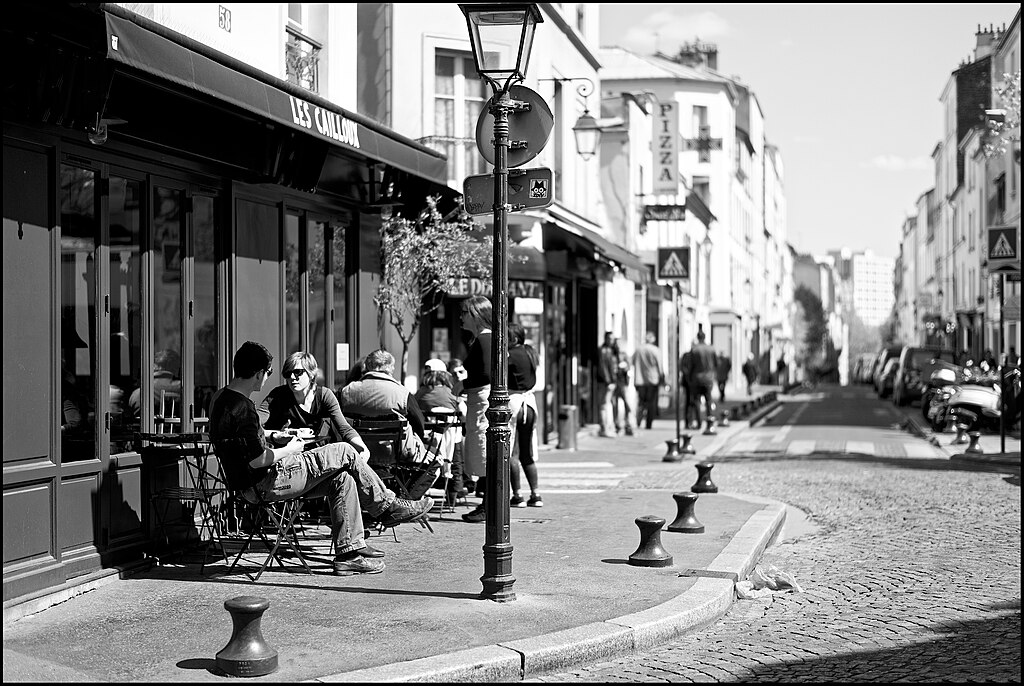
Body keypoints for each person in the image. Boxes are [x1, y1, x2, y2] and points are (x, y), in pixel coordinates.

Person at [208, 341, 432, 576]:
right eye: (272, 373)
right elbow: (257, 460)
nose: (273, 378)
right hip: (267, 482)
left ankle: (349, 553)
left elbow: (241, 438)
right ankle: (387, 507)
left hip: (251, 484)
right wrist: (292, 448)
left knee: (343, 479)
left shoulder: (220, 398)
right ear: (258, 374)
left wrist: (274, 435)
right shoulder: (245, 408)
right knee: (344, 451)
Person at [338, 349, 429, 462]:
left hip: (357, 452)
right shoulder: (403, 394)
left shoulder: (345, 392)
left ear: (367, 366)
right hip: (394, 455)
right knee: (435, 459)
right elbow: (419, 424)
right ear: (390, 368)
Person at [458, 295, 493, 523]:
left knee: (484, 448)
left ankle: (488, 505)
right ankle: (487, 503)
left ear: (475, 314)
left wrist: (462, 383)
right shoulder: (484, 339)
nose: (460, 316)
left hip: (482, 400)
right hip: (480, 399)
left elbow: (486, 375)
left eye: (464, 312)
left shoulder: (484, 340)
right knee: (483, 449)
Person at [415, 359, 464, 506]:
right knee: (457, 460)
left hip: (429, 441)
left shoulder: (420, 394)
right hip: (451, 439)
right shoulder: (450, 393)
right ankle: (453, 496)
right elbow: (462, 412)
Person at [508, 324, 542, 508]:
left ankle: (518, 495)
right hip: (530, 404)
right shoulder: (531, 353)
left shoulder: (509, 355)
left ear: (512, 339)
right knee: (527, 453)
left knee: (512, 452)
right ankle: (536, 494)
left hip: (514, 402)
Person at [631, 332, 664, 431]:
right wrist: (662, 378)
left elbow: (632, 362)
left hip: (640, 379)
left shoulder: (638, 350)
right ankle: (648, 424)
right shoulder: (655, 350)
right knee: (651, 403)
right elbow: (660, 366)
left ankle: (638, 421)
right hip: (652, 380)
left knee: (641, 402)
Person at [688, 330, 717, 425]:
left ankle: (699, 421)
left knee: (696, 400)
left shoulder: (694, 349)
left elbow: (690, 365)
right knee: (708, 399)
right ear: (705, 337)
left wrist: (689, 378)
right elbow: (716, 364)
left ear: (698, 337)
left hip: (697, 378)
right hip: (708, 378)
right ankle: (709, 420)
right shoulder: (711, 349)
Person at [596, 332, 619, 437]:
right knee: (604, 405)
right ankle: (605, 427)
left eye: (613, 339)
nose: (611, 341)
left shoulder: (612, 351)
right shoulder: (603, 350)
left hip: (611, 381)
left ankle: (609, 426)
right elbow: (603, 367)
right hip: (606, 382)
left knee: (608, 404)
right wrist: (608, 381)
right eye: (610, 338)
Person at [611, 340, 635, 435]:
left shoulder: (624, 355)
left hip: (623, 382)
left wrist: (624, 366)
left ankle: (628, 425)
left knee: (627, 404)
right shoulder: (611, 354)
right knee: (615, 404)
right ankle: (617, 425)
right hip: (614, 382)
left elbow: (628, 366)